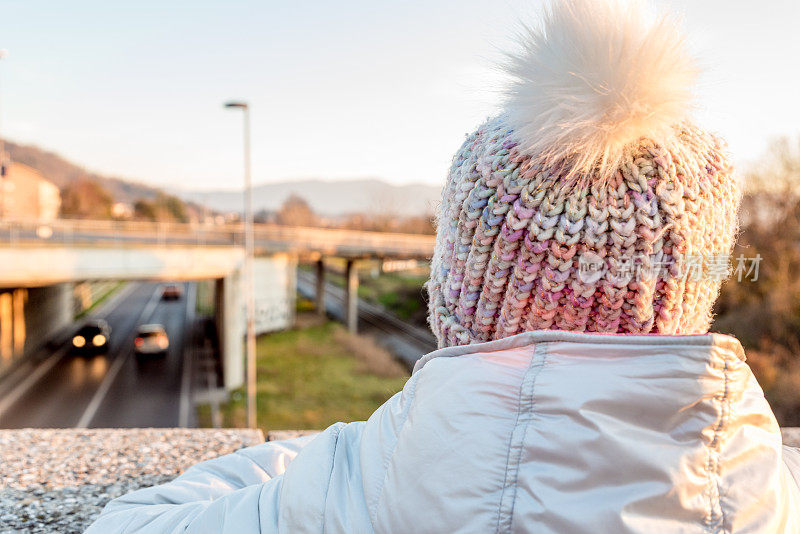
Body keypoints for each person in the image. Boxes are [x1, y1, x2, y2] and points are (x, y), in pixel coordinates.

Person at [86, 0, 800, 532]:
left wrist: (324, 453)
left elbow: (131, 523)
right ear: (688, 293)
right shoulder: (766, 487)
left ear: (460, 289)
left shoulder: (364, 488)